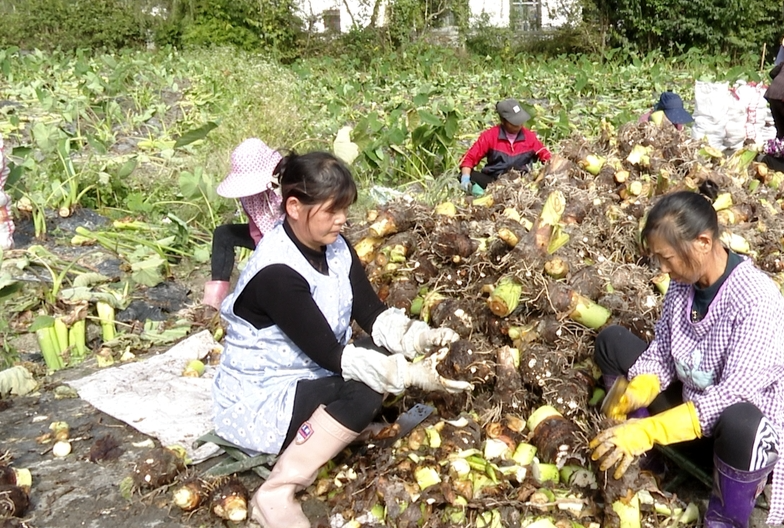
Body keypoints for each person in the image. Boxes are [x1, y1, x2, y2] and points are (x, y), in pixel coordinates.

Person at [212, 151, 472, 528]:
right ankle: (277, 491)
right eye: (332, 211)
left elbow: (372, 314)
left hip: (312, 369)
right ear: (295, 206)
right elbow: (334, 355)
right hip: (266, 395)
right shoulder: (277, 274)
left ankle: (334, 427)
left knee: (379, 353)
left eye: (345, 209)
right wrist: (412, 374)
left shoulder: (336, 248)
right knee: (364, 390)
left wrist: (420, 337)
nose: (342, 220)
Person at [590, 183, 784, 528]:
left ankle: (725, 519)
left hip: (743, 440)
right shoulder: (684, 284)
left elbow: (733, 396)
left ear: (703, 243)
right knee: (612, 342)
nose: (663, 269)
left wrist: (649, 430)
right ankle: (643, 463)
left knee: (741, 420)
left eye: (667, 257)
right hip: (692, 419)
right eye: (657, 258)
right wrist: (641, 387)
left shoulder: (756, 300)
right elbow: (663, 353)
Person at [202, 139, 285, 310]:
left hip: (292, 241)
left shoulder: (286, 186)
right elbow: (255, 229)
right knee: (223, 234)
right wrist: (261, 254)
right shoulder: (248, 195)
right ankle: (213, 301)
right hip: (265, 237)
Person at [459, 98, 552, 194]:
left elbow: (547, 157)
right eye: (514, 122)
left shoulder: (529, 137)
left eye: (520, 121)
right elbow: (469, 158)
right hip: (493, 181)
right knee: (464, 175)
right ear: (503, 121)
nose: (519, 125)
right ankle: (482, 195)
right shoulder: (490, 136)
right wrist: (465, 178)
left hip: (521, 183)